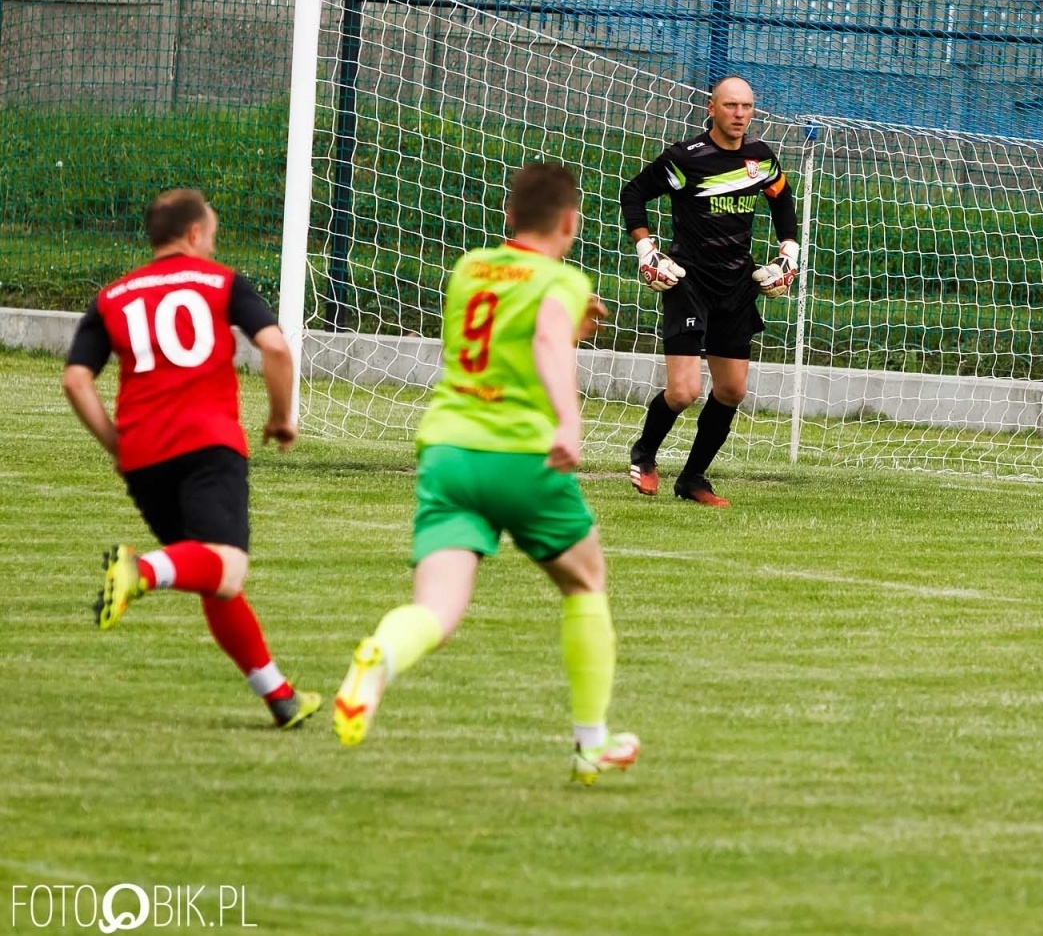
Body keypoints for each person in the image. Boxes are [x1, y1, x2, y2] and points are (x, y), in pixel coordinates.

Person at [331, 162, 638, 786]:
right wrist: (569, 421)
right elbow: (547, 341)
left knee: (436, 610)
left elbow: (509, 329)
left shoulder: (470, 267)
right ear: (571, 223)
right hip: (520, 455)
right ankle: (590, 745)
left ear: (508, 218)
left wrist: (566, 320)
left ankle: (379, 659)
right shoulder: (562, 279)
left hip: (448, 452)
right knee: (585, 584)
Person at [62, 188, 320, 729]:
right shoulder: (221, 282)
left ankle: (280, 696)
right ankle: (141, 570)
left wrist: (115, 442)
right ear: (196, 234)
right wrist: (280, 416)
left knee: (212, 572)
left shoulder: (113, 295)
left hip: (144, 457)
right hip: (207, 445)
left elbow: (76, 378)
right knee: (223, 568)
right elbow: (273, 346)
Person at [621, 75, 800, 508]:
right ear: (712, 108)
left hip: (737, 286)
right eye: (731, 106)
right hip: (689, 282)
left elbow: (782, 201)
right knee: (683, 392)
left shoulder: (761, 159)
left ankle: (694, 478)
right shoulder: (686, 158)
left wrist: (788, 253)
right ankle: (644, 454)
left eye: (747, 107)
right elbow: (634, 193)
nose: (739, 114)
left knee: (732, 391)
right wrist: (647, 249)